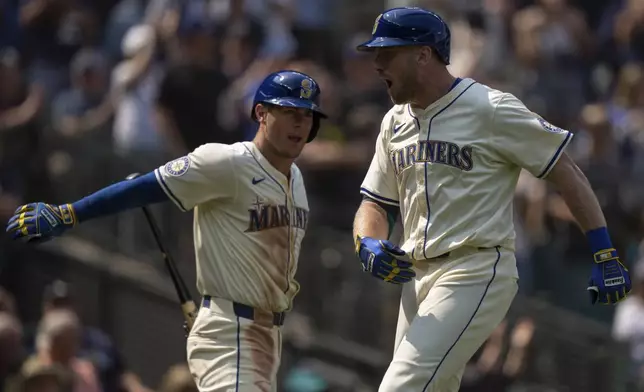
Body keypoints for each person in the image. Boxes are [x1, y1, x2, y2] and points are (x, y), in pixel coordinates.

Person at [351, 7, 631, 392]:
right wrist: (367, 242)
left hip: (476, 268)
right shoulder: (393, 122)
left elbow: (566, 172)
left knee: (401, 387)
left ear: (423, 54)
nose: (377, 64)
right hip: (415, 277)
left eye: (387, 53)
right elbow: (375, 203)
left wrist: (604, 251)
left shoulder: (490, 107)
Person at [5, 69, 327, 392]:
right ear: (261, 113)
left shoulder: (296, 180)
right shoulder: (227, 162)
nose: (299, 123)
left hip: (268, 336)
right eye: (288, 112)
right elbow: (144, 188)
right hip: (231, 331)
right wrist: (67, 214)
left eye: (306, 115)